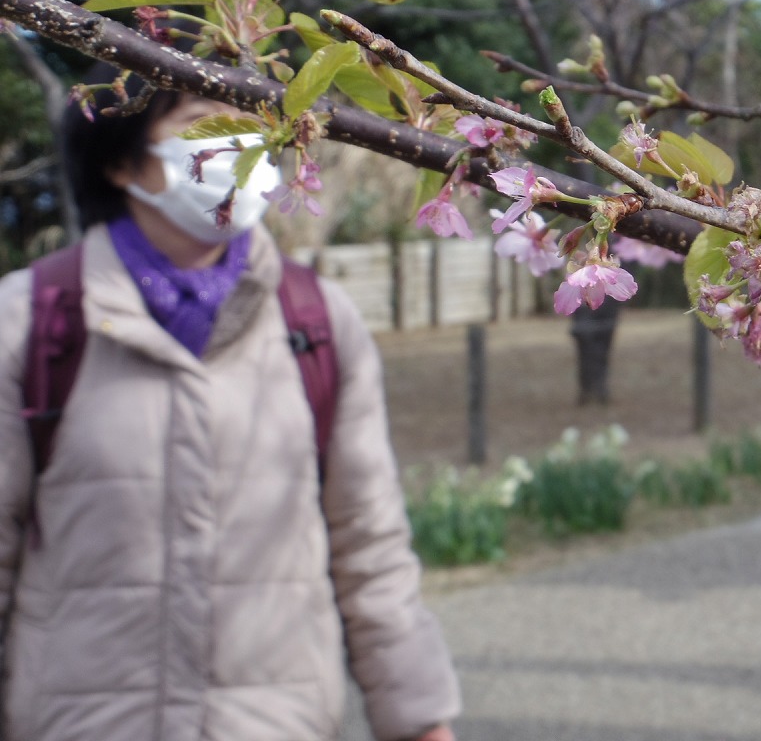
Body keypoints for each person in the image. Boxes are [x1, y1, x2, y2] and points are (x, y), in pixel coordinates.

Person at [0, 74, 461, 738]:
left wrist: (420, 721)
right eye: (202, 123)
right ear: (121, 161)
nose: (238, 144)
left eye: (250, 122)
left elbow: (371, 546)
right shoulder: (33, 319)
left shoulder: (315, 320)